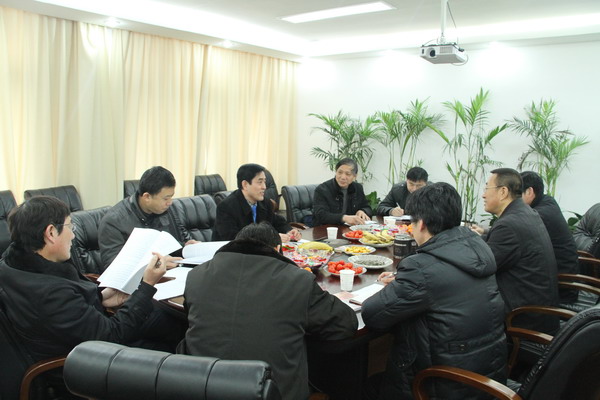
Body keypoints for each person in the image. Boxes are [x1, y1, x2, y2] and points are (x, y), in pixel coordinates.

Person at [179, 222, 358, 400]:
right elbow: (345, 324)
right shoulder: (297, 279)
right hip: (272, 392)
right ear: (278, 249)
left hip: (200, 388)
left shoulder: (196, 275)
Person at [362, 183, 507, 400]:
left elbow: (373, 314)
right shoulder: (478, 248)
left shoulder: (421, 267)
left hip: (441, 385)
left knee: (363, 386)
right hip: (488, 377)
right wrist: (405, 285)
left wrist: (401, 286)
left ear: (420, 223)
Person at [0, 196, 182, 362]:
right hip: (84, 364)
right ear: (51, 233)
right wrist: (147, 285)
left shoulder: (13, 265)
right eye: (70, 227)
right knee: (175, 343)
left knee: (167, 321)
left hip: (81, 338)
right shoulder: (50, 294)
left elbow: (72, 309)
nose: (73, 235)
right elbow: (112, 336)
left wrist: (101, 296)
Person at [472, 168, 559, 333]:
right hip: (539, 311)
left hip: (523, 320)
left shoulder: (508, 225)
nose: (483, 195)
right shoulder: (525, 213)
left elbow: (480, 267)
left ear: (503, 192)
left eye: (486, 188)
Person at [99, 166, 196, 269]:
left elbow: (170, 244)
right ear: (147, 197)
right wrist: (156, 263)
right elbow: (113, 266)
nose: (170, 202)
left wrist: (186, 248)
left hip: (172, 272)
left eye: (171, 197)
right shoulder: (114, 221)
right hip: (142, 277)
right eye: (166, 198)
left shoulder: (164, 210)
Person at [521, 171, 579, 303]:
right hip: (556, 279)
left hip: (559, 288)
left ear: (529, 192)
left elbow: (514, 234)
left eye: (516, 194)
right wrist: (485, 231)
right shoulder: (547, 201)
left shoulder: (538, 215)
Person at [212, 163, 301, 242]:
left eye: (264, 182)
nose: (264, 187)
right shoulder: (226, 207)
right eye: (260, 182)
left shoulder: (265, 202)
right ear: (245, 184)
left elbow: (277, 222)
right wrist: (271, 238)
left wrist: (289, 231)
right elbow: (234, 239)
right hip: (229, 253)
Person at [312, 158, 372, 226]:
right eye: (340, 172)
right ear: (336, 172)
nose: (343, 177)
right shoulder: (322, 189)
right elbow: (321, 215)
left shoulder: (357, 188)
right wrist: (344, 218)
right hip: (326, 229)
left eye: (348, 174)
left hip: (349, 228)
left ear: (355, 176)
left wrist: (363, 211)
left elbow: (368, 207)